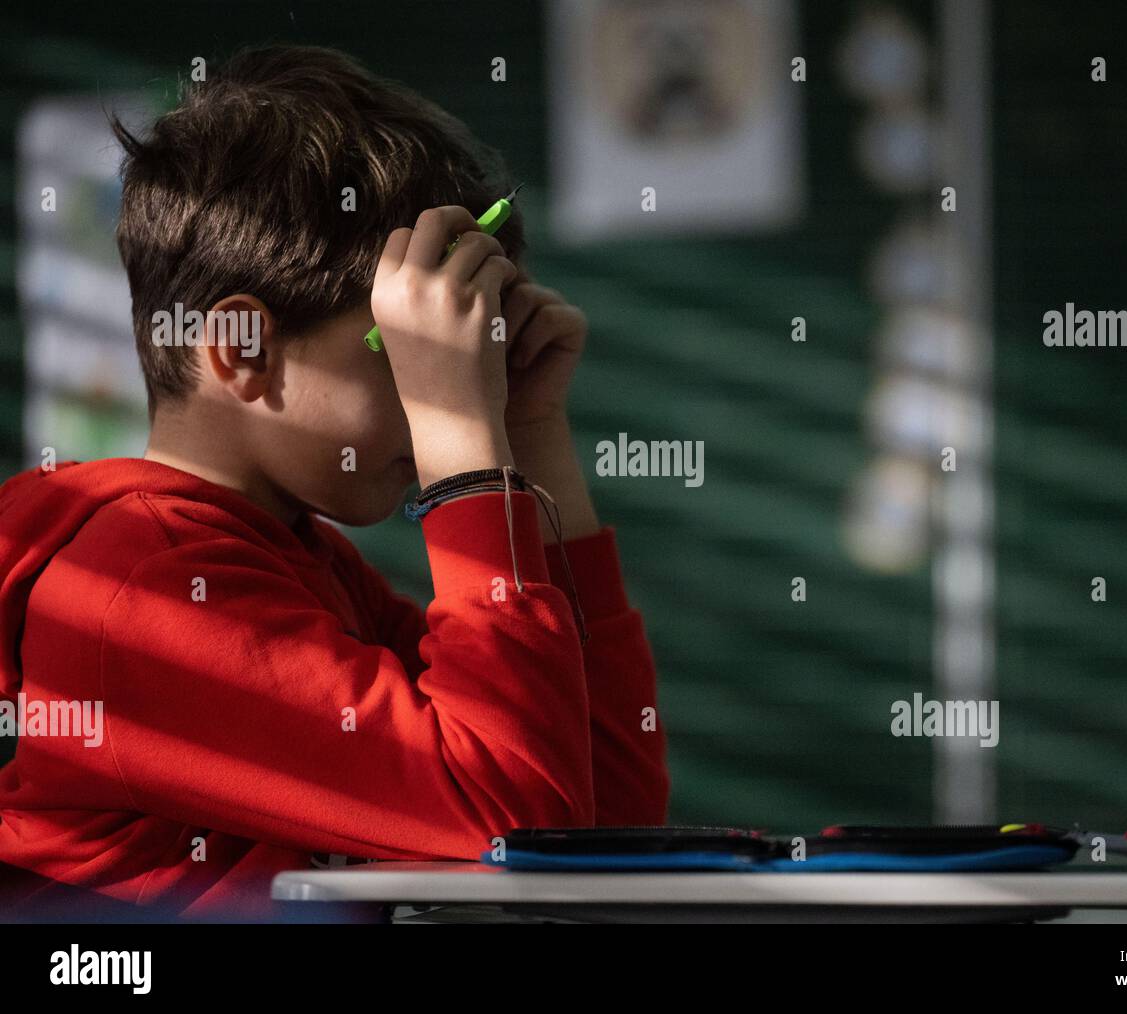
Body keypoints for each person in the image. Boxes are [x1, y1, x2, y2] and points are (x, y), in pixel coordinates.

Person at [0, 45, 669, 921]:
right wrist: (464, 442)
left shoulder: (298, 562)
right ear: (241, 349)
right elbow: (519, 827)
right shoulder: (138, 589)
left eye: (469, 362)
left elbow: (594, 830)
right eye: (412, 355)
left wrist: (529, 432)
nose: (459, 387)